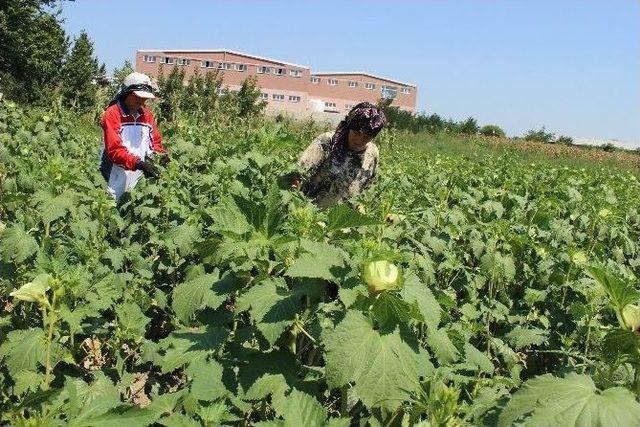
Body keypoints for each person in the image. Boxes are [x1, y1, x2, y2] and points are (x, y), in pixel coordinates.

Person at [296, 102, 386, 208]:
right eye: (356, 133)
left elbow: (368, 184)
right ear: (349, 126)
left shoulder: (372, 153)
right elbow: (299, 174)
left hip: (342, 219)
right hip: (311, 213)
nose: (359, 140)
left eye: (366, 137)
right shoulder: (327, 142)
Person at [99, 72, 167, 201]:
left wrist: (161, 156)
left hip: (138, 173)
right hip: (114, 174)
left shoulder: (147, 115)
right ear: (127, 92)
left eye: (144, 97)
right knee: (111, 209)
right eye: (137, 96)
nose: (141, 100)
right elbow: (114, 149)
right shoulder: (113, 113)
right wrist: (138, 163)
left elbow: (155, 143)